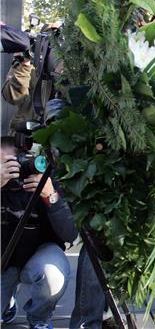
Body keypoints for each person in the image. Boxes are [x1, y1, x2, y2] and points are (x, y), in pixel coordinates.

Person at [1, 136, 77, 328]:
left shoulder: (43, 181)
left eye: (18, 162)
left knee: (53, 275)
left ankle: (39, 318)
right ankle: (7, 300)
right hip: (3, 260)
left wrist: (51, 197)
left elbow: (70, 234)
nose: (13, 169)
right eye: (5, 163)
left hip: (37, 253)